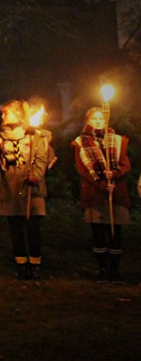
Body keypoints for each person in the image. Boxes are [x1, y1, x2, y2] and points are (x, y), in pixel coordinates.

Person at [0, 100, 55, 280]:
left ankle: (35, 264)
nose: (2, 116)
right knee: (15, 228)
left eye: (6, 113)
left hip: (31, 185)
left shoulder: (35, 135)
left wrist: (35, 175)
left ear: (18, 115)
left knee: (33, 227)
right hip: (10, 185)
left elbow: (41, 159)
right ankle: (20, 263)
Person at [72, 106, 131, 283]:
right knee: (98, 231)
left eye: (101, 119)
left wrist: (115, 175)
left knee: (115, 232)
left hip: (116, 191)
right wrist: (101, 184)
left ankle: (115, 269)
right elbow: (83, 169)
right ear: (88, 121)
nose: (98, 121)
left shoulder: (118, 140)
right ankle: (103, 270)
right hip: (95, 192)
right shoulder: (81, 142)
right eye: (94, 119)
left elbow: (125, 164)